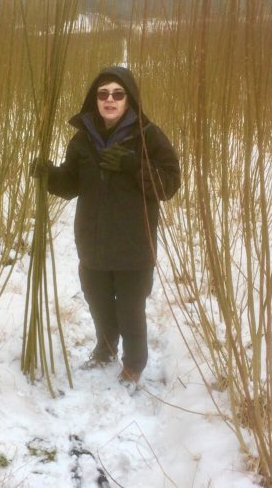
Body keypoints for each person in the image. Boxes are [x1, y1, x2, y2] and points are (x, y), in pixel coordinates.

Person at [31, 65, 180, 384]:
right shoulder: (84, 140)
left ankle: (134, 364)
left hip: (134, 245)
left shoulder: (149, 137)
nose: (109, 99)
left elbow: (169, 184)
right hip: (93, 242)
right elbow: (71, 184)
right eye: (103, 94)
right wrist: (49, 175)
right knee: (97, 302)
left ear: (129, 99)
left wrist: (133, 165)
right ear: (94, 99)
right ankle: (106, 347)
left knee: (131, 309)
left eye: (117, 93)